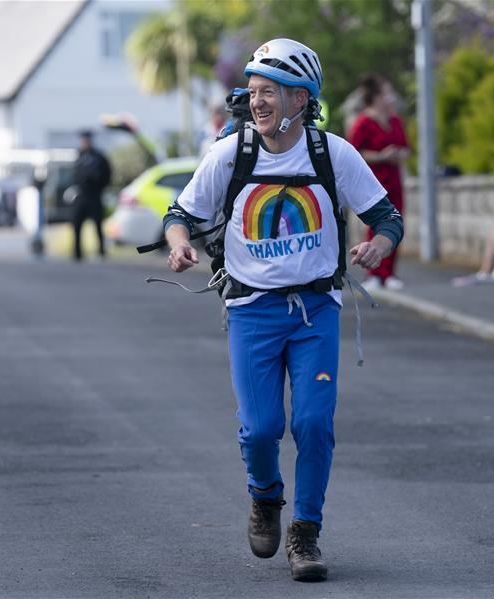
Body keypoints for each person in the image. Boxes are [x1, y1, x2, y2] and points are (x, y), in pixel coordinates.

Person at [162, 39, 403, 582]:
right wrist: (179, 245)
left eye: (269, 91)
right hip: (252, 310)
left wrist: (378, 246)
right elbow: (180, 214)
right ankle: (265, 496)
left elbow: (387, 218)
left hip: (316, 309)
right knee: (260, 429)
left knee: (313, 424)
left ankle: (305, 533)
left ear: (301, 99)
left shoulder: (333, 154)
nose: (257, 101)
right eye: (253, 91)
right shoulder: (232, 154)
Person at [347, 74, 410, 290]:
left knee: (395, 223)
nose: (391, 96)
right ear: (376, 96)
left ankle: (390, 273)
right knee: (375, 225)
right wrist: (381, 156)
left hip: (394, 181)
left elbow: (406, 148)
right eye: (387, 92)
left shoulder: (395, 120)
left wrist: (398, 154)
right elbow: (353, 153)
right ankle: (374, 273)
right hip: (373, 182)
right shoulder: (363, 122)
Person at [71, 130, 112, 262]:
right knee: (77, 225)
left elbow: (107, 175)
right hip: (81, 196)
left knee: (98, 225)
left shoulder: (99, 157)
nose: (85, 143)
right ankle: (77, 253)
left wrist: (97, 182)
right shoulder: (79, 157)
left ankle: (101, 251)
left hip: (95, 195)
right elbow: (74, 176)